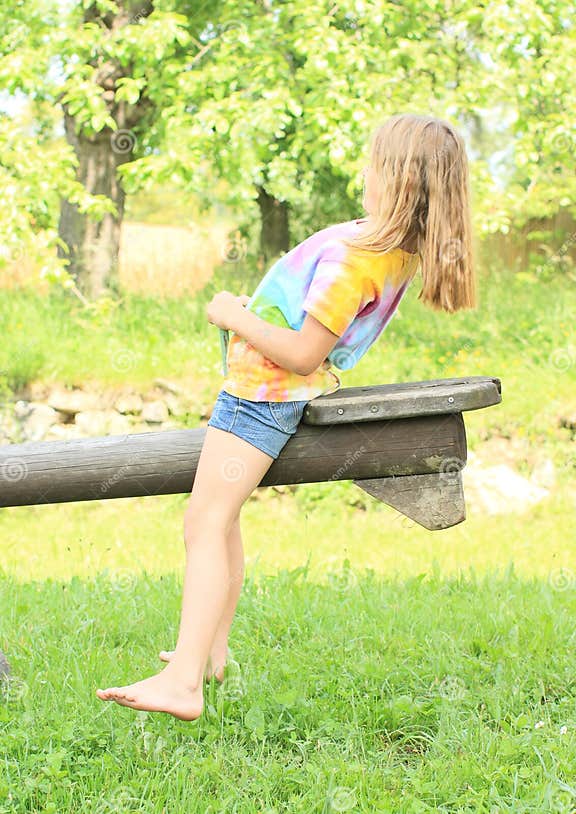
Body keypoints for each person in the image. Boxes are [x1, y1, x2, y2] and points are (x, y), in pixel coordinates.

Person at [96, 112, 476, 719]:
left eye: (373, 163)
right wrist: (266, 312)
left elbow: (303, 352)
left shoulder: (358, 256)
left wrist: (231, 314)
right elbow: (311, 328)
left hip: (261, 396)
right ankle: (209, 653)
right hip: (272, 390)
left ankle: (184, 683)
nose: (363, 173)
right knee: (222, 522)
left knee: (203, 522)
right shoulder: (390, 250)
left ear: (399, 180)